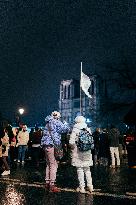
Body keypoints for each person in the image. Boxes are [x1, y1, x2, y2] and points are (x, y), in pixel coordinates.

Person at [41, 111, 70, 192]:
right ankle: (52, 185)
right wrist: (65, 123)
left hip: (45, 145)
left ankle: (47, 183)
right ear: (58, 116)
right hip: (52, 145)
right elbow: (66, 129)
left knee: (48, 164)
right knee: (54, 164)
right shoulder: (57, 122)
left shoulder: (47, 123)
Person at [69, 116, 94, 193]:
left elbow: (71, 142)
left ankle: (82, 187)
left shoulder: (75, 129)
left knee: (80, 169)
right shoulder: (88, 129)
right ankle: (90, 186)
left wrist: (73, 148)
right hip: (87, 152)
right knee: (87, 169)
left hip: (78, 152)